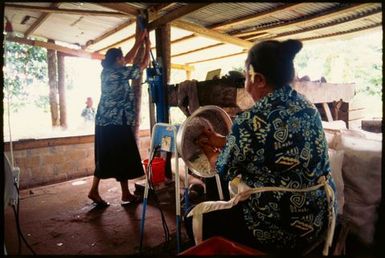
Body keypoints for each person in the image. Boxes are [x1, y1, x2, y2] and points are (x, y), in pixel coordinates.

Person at [186, 39, 337, 255]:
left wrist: (210, 150)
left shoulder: (250, 120)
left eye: (246, 77)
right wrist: (221, 140)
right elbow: (269, 142)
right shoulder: (308, 107)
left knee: (193, 219)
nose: (245, 84)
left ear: (258, 79)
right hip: (318, 218)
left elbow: (222, 169)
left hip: (278, 228)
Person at [88, 29, 150, 207]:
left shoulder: (108, 70)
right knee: (118, 154)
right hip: (114, 122)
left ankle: (121, 193)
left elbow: (128, 58)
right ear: (117, 61)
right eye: (122, 59)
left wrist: (139, 41)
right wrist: (147, 46)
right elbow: (143, 63)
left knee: (109, 156)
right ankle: (116, 193)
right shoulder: (118, 73)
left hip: (106, 122)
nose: (125, 61)